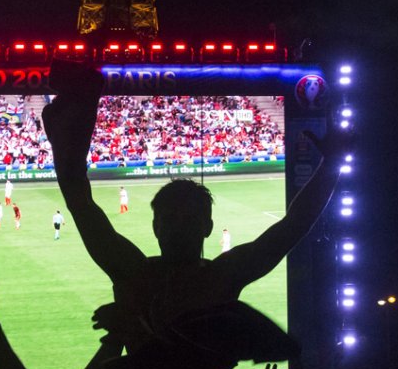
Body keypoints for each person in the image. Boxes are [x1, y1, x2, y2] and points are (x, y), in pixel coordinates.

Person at [42, 60, 349, 353]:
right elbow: (293, 225)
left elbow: (78, 199)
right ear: (207, 227)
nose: (178, 226)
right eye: (173, 218)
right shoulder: (220, 277)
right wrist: (332, 164)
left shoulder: (134, 271)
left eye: (184, 218)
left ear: (156, 227)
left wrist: (69, 133)